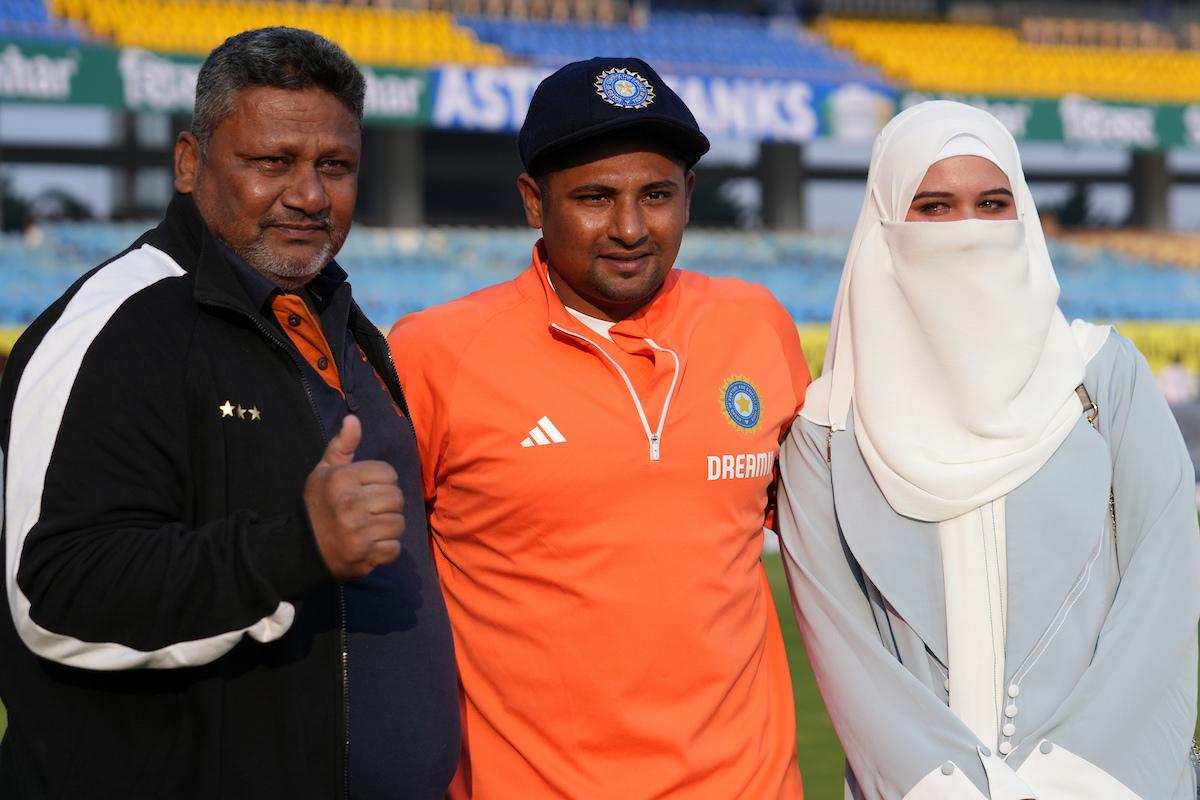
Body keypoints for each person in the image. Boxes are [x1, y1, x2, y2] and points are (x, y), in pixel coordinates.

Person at [0, 27, 459, 799]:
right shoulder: (111, 325)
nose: (309, 195)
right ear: (190, 162)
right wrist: (291, 549)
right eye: (271, 162)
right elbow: (55, 598)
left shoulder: (341, 319)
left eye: (335, 167)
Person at [387, 57, 809, 798]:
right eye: (593, 197)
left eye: (657, 195)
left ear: (690, 196)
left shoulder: (757, 327)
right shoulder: (435, 354)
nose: (630, 228)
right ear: (532, 200)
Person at [777, 100, 1200, 799]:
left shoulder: (1100, 377)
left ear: (1024, 215)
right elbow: (847, 653)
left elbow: (1165, 587)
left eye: (992, 202)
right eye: (934, 207)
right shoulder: (826, 433)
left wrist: (1075, 779)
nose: (966, 229)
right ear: (886, 223)